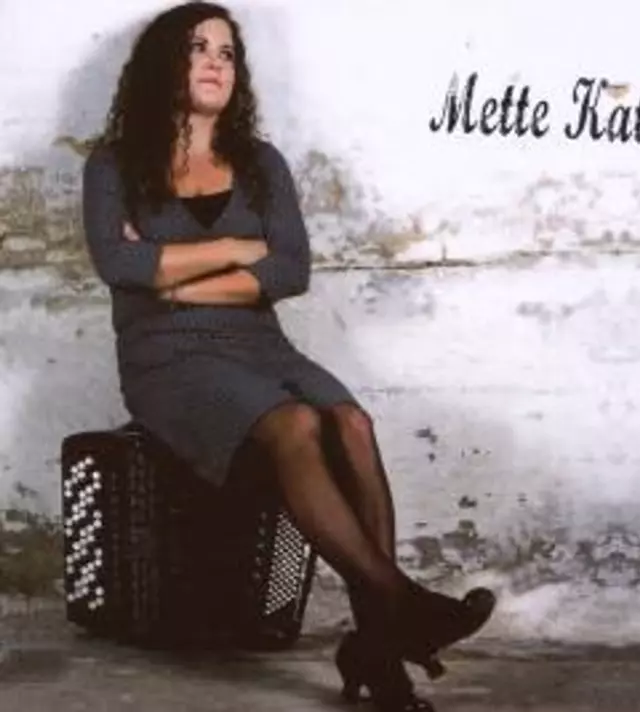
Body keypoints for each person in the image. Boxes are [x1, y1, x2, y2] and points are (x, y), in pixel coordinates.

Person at [81, 2, 495, 710]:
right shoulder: (115, 163)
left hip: (259, 342)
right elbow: (118, 264)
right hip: (165, 357)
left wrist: (174, 278)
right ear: (162, 63)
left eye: (228, 53)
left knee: (352, 423)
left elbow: (290, 269)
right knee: (297, 424)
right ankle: (400, 610)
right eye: (197, 48)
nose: (216, 63)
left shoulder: (261, 163)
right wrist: (237, 248)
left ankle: (377, 646)